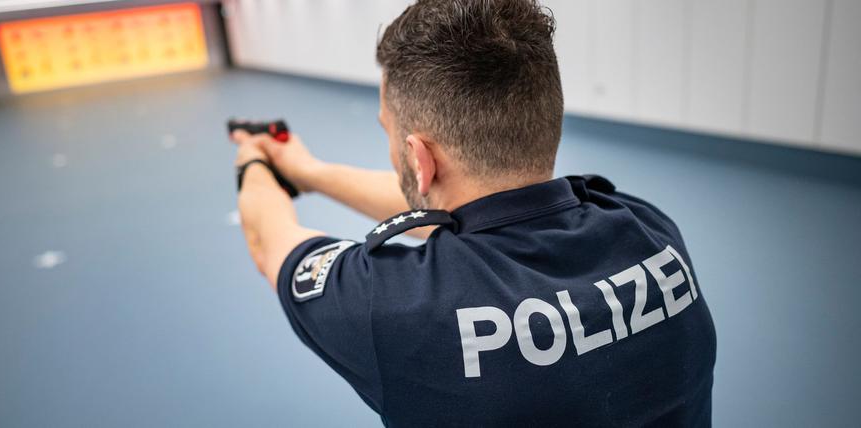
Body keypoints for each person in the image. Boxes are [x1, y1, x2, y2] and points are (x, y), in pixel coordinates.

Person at [229, 0, 716, 426]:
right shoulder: (649, 229)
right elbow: (465, 207)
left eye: (388, 132)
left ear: (420, 160)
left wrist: (252, 158)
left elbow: (268, 239)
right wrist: (308, 171)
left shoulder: (395, 309)